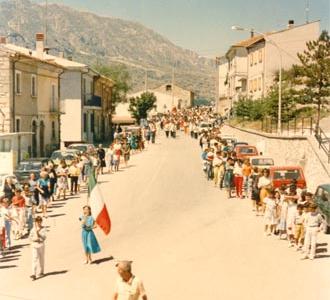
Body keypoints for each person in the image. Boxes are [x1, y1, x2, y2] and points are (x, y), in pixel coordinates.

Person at [29, 216, 47, 280]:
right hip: (34, 245)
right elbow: (30, 237)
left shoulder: (43, 229)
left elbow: (44, 237)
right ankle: (33, 273)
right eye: (37, 222)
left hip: (41, 245)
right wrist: (34, 239)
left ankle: (42, 271)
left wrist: (39, 234)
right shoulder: (33, 229)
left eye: (40, 222)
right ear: (35, 222)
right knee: (34, 259)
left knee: (41, 259)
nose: (39, 223)